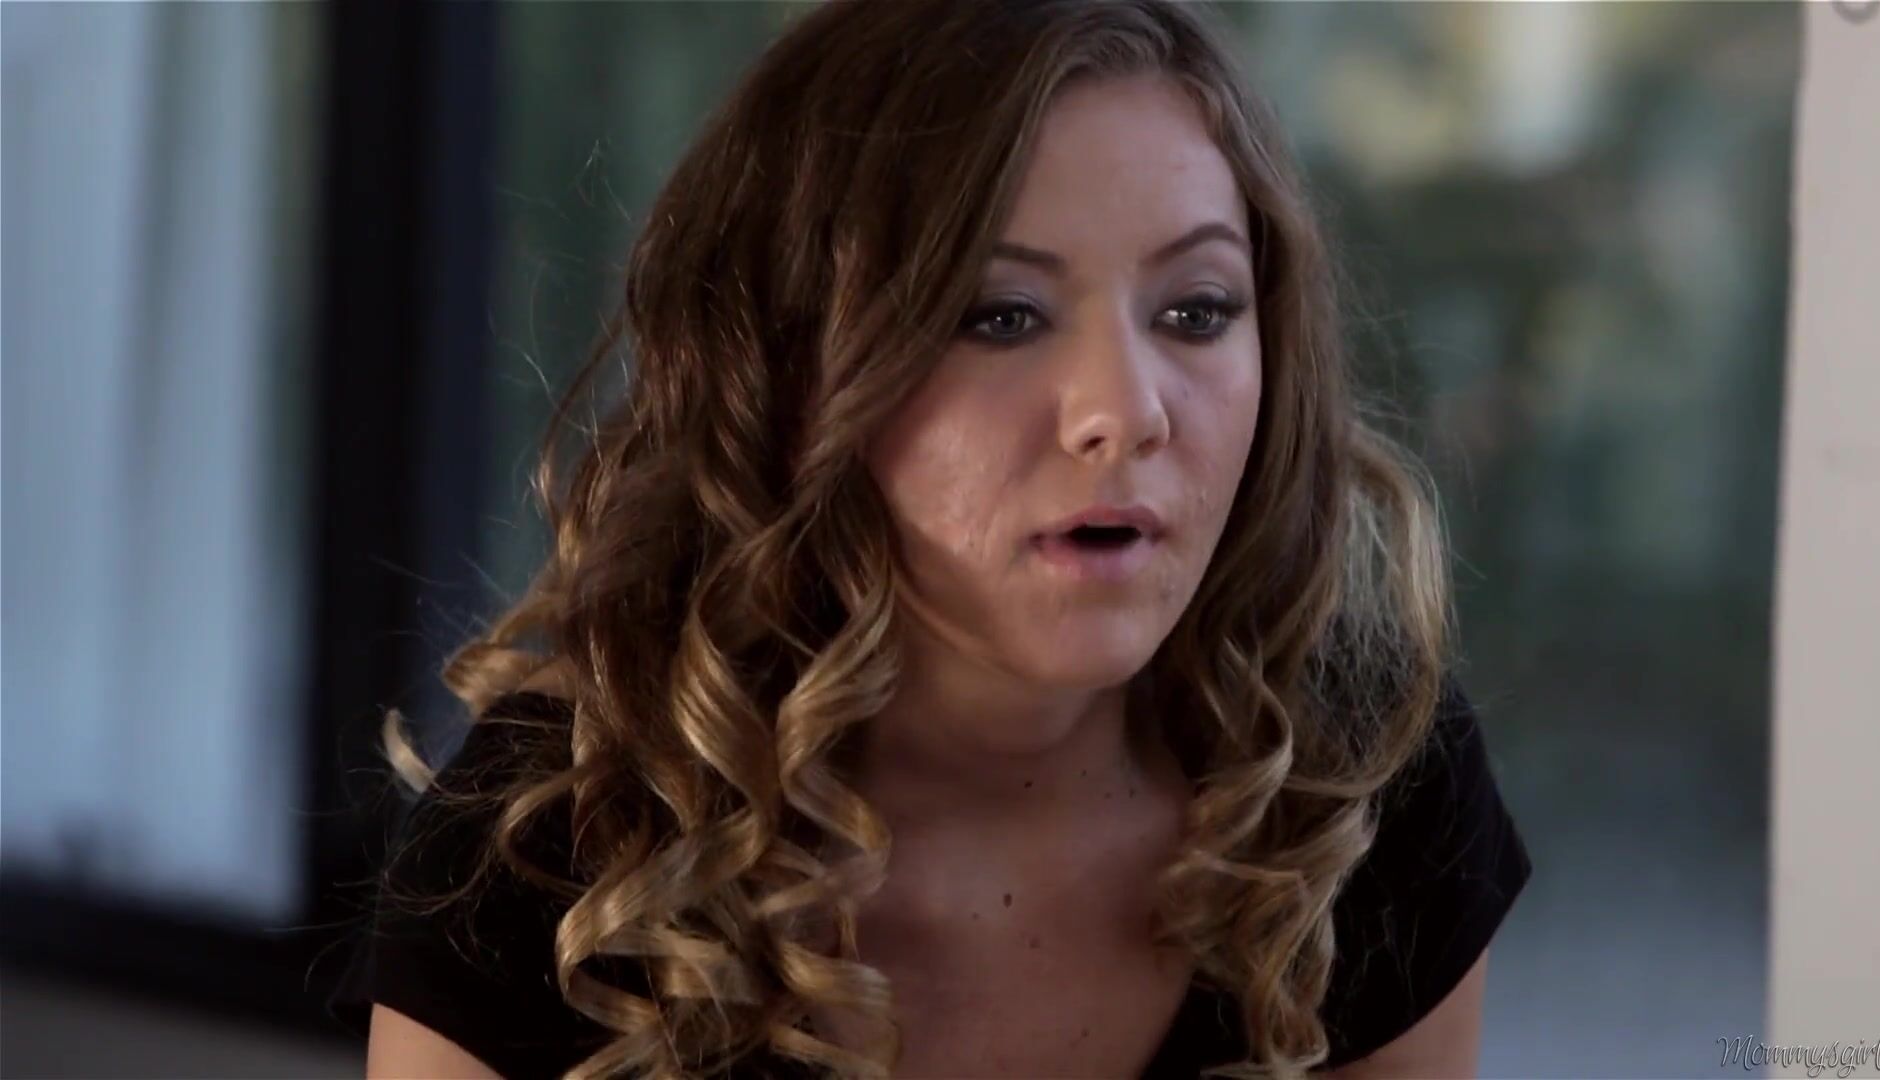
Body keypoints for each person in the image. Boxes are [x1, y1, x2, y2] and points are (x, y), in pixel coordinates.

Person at [326, 1, 1533, 1077]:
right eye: (999, 316)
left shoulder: (1358, 775)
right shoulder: (556, 849)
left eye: (1197, 310)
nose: (1126, 412)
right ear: (794, 372)